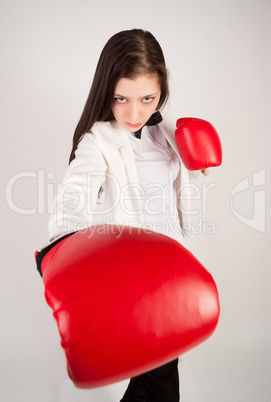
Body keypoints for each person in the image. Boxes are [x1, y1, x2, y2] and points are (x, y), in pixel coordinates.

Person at [38, 28, 211, 402]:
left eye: (147, 98)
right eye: (121, 98)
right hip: (136, 274)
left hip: (174, 264)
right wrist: (60, 244)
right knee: (162, 379)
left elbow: (173, 187)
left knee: (152, 374)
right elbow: (77, 190)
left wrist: (197, 164)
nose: (135, 113)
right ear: (106, 91)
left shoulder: (168, 130)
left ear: (162, 91)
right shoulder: (97, 141)